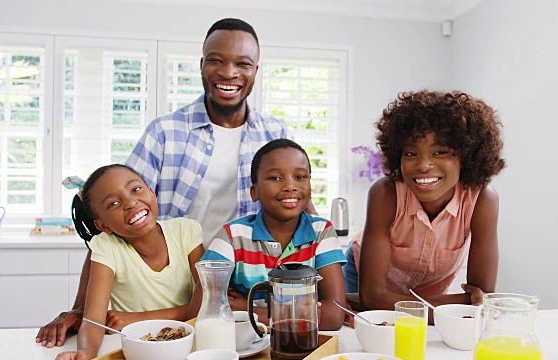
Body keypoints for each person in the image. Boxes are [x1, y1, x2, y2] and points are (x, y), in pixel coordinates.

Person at [37, 18, 303, 347]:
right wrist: (80, 308)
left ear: (256, 70)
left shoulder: (274, 135)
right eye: (216, 60)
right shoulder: (164, 133)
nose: (228, 72)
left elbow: (301, 214)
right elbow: (114, 218)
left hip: (245, 287)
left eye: (242, 63)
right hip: (174, 289)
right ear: (202, 64)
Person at [344, 90, 505, 320]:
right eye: (411, 153)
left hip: (429, 293)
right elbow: (372, 298)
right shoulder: (385, 194)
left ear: (468, 156)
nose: (424, 165)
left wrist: (390, 304)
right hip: (358, 274)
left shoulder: (482, 200)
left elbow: (482, 297)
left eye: (440, 152)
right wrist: (453, 308)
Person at [189, 139, 347, 330]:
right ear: (254, 192)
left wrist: (248, 309)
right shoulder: (233, 236)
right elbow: (199, 311)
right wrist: (300, 315)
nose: (290, 186)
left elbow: (335, 316)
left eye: (300, 177)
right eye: (275, 178)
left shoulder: (321, 232)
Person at [54, 164, 205, 360]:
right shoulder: (106, 247)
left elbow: (209, 304)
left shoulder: (186, 232)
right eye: (113, 204)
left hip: (190, 346)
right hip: (138, 351)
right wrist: (85, 353)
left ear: (151, 192)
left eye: (136, 189)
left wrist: (137, 319)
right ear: (102, 225)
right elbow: (93, 321)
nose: (130, 203)